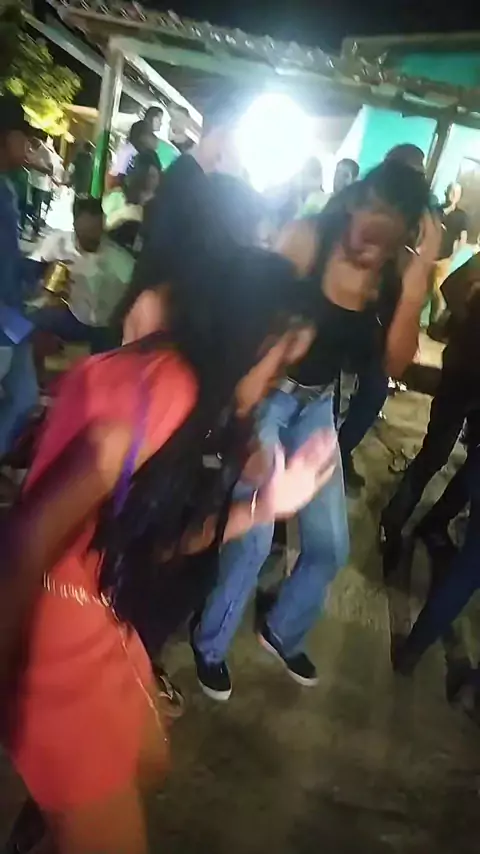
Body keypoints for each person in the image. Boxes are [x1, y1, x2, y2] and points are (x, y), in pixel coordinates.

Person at [0, 168, 336, 851]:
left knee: (149, 759)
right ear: (244, 338)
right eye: (277, 367)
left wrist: (266, 505)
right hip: (54, 626)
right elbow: (24, 542)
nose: (278, 386)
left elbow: (160, 542)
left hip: (97, 604)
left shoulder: (186, 388)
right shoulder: (164, 394)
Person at [191, 161, 437, 701]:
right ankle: (209, 643)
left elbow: (394, 367)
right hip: (266, 396)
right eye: (369, 215)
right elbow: (246, 323)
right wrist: (243, 423)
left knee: (330, 545)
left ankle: (281, 629)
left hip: (318, 406)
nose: (370, 238)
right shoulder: (307, 239)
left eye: (389, 230)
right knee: (254, 539)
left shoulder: (393, 277)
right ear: (354, 201)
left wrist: (418, 282)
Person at [380, 251, 480, 570]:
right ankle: (393, 522)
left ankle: (434, 523)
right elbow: (450, 285)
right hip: (463, 370)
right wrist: (469, 324)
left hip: (464, 368)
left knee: (473, 464)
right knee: (435, 453)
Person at [30, 196, 134, 353]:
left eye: (96, 233)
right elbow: (30, 272)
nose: (92, 240)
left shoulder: (120, 259)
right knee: (33, 321)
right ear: (74, 225)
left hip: (106, 327)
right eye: (86, 235)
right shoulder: (58, 245)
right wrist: (45, 283)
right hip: (73, 317)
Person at [0, 96, 41, 460]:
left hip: (10, 317)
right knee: (24, 396)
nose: (27, 144)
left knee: (25, 395)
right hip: (4, 320)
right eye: (22, 136)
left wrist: (35, 270)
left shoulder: (7, 188)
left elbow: (8, 260)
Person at [105, 150, 162, 254]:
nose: (153, 180)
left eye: (153, 176)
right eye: (151, 175)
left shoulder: (117, 199)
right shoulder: (119, 199)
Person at [430, 183, 468, 324]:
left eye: (456, 193)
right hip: (428, 257)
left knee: (438, 292)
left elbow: (463, 238)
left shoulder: (461, 216)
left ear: (459, 196)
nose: (453, 195)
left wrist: (453, 256)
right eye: (451, 192)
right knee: (422, 290)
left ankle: (435, 323)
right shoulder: (436, 210)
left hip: (444, 260)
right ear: (446, 192)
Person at [27, 134, 54, 236]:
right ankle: (34, 228)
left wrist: (34, 166)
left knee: (37, 208)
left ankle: (36, 230)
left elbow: (50, 171)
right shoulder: (32, 149)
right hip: (31, 182)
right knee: (32, 207)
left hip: (40, 185)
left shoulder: (46, 152)